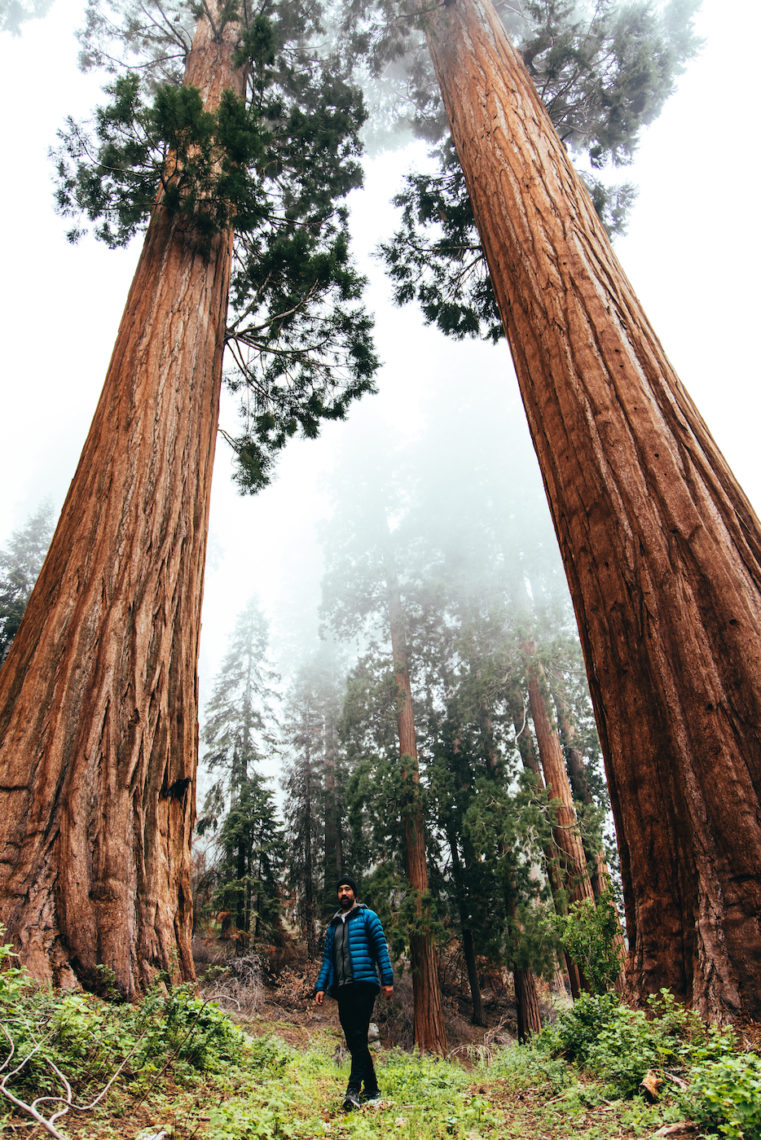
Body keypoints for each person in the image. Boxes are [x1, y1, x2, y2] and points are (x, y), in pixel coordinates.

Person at [314, 875, 394, 1110]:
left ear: (354, 893)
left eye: (348, 889)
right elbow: (327, 959)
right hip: (342, 988)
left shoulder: (368, 917)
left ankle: (353, 1091)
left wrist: (387, 980)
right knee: (355, 1040)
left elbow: (381, 949)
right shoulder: (334, 924)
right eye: (340, 890)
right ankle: (372, 1089)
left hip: (364, 984)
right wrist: (320, 986)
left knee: (357, 1037)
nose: (344, 893)